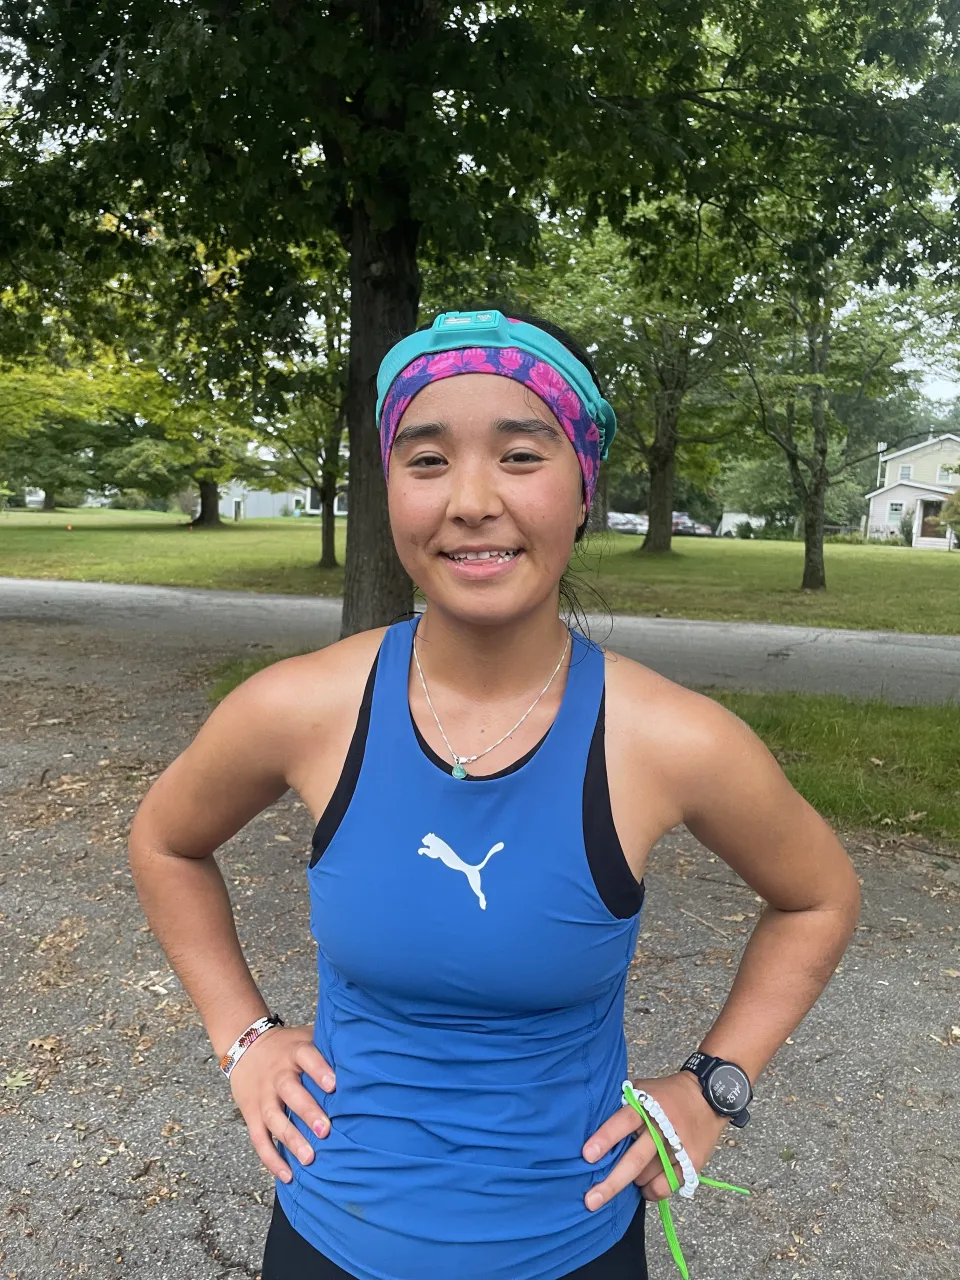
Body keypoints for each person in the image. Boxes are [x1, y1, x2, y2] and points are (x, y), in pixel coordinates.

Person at [127, 308, 861, 1280]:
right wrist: (245, 1036)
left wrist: (712, 1084)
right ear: (389, 488)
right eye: (427, 460)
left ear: (584, 487)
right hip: (328, 1237)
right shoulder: (300, 708)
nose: (471, 499)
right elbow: (167, 840)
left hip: (575, 1244)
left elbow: (819, 895)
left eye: (521, 454)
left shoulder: (668, 737)